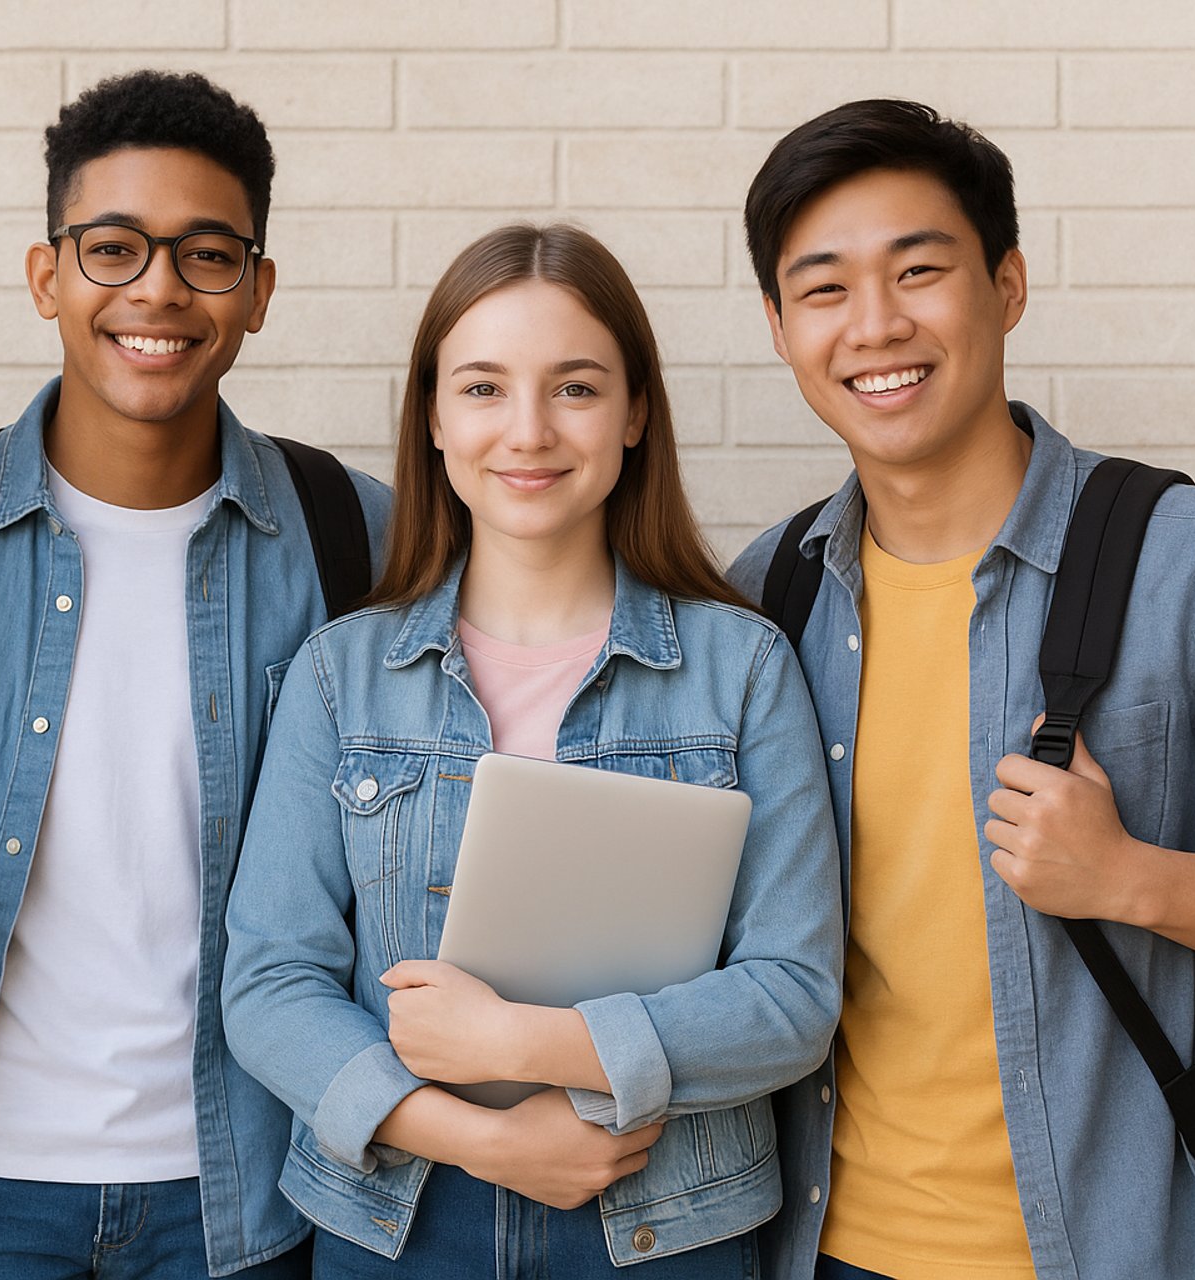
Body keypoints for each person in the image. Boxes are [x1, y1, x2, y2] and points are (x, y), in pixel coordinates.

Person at [0, 70, 391, 1278]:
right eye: (115, 247)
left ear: (260, 290)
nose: (160, 291)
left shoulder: (358, 533)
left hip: (249, 1191)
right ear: (47, 276)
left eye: (208, 255)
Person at [729, 98, 1195, 1280]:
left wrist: (1130, 878)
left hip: (1095, 1252)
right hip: (816, 1247)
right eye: (826, 288)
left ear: (1007, 285)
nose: (876, 325)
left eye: (920, 270)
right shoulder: (770, 592)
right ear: (781, 327)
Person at [222, 222, 844, 1277]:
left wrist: (524, 1044)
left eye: (575, 387)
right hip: (398, 1223)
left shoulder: (743, 667)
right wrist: (486, 1137)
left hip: (668, 1223)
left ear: (636, 410)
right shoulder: (342, 672)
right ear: (430, 415)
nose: (528, 430)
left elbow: (791, 998)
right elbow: (271, 985)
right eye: (482, 388)